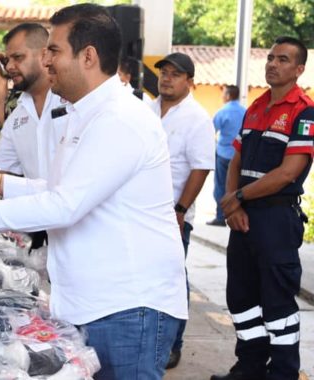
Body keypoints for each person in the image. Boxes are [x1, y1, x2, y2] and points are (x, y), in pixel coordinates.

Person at [0, 4, 187, 378]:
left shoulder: (119, 119)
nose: (45, 61)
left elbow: (65, 205)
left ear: (88, 56)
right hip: (94, 302)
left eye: (53, 50)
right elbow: (58, 189)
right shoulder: (81, 114)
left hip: (128, 307)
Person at [212, 36, 313, 380]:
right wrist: (232, 204)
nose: (273, 64)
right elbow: (236, 159)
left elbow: (289, 172)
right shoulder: (256, 106)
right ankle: (250, 366)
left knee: (278, 303)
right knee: (240, 297)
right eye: (270, 57)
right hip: (244, 215)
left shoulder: (304, 111)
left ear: (299, 69)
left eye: (283, 59)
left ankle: (283, 373)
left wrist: (239, 198)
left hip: (276, 218)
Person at [151, 52, 215, 369]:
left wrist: (180, 209)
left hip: (173, 215)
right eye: (164, 72)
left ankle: (174, 344)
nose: (167, 78)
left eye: (175, 74)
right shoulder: (147, 110)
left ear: (189, 82)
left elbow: (200, 168)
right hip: (142, 212)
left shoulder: (197, 119)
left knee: (173, 280)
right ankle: (151, 340)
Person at [0, 22, 67, 180]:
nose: (9, 66)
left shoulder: (73, 101)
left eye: (18, 57)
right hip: (36, 204)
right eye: (7, 60)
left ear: (44, 55)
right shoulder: (16, 117)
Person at [208, 85, 246, 226]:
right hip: (239, 155)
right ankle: (236, 215)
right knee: (237, 187)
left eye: (224, 93)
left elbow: (211, 131)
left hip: (223, 154)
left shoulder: (222, 111)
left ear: (229, 95)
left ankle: (220, 216)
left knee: (221, 186)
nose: (222, 96)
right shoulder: (245, 111)